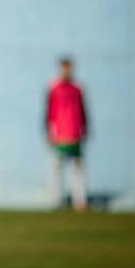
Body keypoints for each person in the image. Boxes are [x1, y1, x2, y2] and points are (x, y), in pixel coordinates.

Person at [46, 56, 89, 211]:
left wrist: (85, 128)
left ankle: (80, 200)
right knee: (57, 167)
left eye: (70, 68)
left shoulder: (78, 88)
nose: (67, 70)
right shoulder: (53, 87)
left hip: (75, 132)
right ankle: (55, 200)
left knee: (78, 168)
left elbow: (84, 110)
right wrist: (50, 131)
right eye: (65, 67)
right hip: (59, 133)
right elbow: (48, 111)